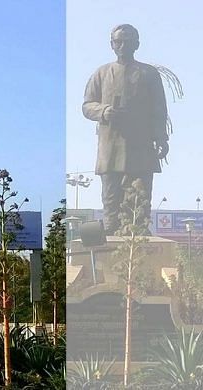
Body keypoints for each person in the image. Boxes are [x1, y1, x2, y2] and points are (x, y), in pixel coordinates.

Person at [83, 24, 168, 235]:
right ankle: (112, 234)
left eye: (128, 41)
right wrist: (104, 111)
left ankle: (138, 236)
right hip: (111, 145)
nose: (123, 46)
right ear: (112, 44)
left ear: (136, 44)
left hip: (141, 145)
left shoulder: (149, 73)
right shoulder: (102, 73)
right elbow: (87, 105)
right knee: (111, 198)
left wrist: (161, 138)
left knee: (140, 197)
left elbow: (159, 109)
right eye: (118, 42)